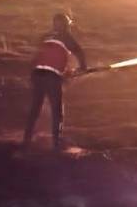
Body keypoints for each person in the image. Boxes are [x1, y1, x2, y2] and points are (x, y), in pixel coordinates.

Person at [22, 12, 88, 150]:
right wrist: (83, 68)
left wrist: (64, 72)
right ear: (66, 25)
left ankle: (26, 140)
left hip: (37, 74)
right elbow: (79, 52)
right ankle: (56, 143)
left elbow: (42, 56)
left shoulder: (45, 37)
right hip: (52, 78)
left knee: (35, 108)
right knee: (57, 111)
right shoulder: (66, 37)